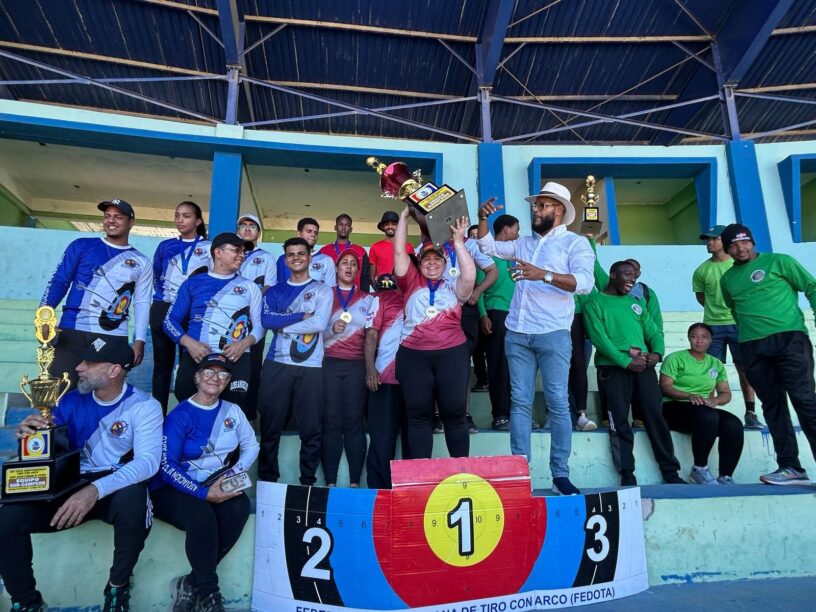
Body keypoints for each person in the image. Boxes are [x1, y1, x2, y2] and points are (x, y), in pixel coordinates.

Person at [0, 338, 162, 612]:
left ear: (114, 370)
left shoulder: (144, 406)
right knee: (7, 516)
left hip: (111, 488)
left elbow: (148, 463)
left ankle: (118, 588)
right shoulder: (69, 400)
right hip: (68, 485)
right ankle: (27, 602)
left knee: (136, 500)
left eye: (89, 362)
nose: (78, 367)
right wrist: (31, 438)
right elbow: (54, 452)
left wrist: (94, 490)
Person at [477, 183, 595, 496]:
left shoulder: (575, 243)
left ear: (560, 210)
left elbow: (584, 283)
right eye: (535, 205)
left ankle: (560, 475)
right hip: (517, 333)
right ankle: (520, 475)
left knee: (558, 403)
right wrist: (483, 219)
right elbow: (487, 247)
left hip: (553, 333)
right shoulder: (523, 243)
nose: (536, 210)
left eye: (543, 205)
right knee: (519, 402)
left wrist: (543, 274)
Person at [151, 353, 259, 612]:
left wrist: (233, 474)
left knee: (239, 507)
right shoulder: (180, 415)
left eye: (222, 374)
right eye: (208, 372)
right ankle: (210, 594)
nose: (215, 378)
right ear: (197, 378)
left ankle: (190, 583)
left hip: (214, 482)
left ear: (228, 381)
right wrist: (203, 493)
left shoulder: (232, 411)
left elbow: (251, 446)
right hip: (171, 487)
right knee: (202, 516)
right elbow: (167, 466)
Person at [720, 223, 816, 485]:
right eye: (733, 245)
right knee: (773, 406)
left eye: (745, 242)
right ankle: (791, 467)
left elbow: (811, 286)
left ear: (753, 242)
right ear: (727, 249)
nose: (741, 248)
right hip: (752, 347)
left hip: (789, 339)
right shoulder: (727, 279)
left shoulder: (779, 261)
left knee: (805, 400)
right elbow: (735, 309)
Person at [583, 260, 684, 486]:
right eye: (627, 274)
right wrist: (625, 362)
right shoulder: (594, 302)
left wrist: (657, 353)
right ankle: (627, 475)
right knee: (619, 421)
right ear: (612, 274)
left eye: (634, 276)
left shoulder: (635, 303)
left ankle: (671, 472)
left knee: (655, 417)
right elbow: (600, 339)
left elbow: (654, 332)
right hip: (613, 369)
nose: (632, 280)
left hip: (643, 368)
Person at [40, 198, 152, 387]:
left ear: (131, 222)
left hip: (113, 335)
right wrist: (44, 317)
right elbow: (59, 282)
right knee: (61, 389)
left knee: (102, 392)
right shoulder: (81, 245)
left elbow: (142, 302)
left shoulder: (141, 261)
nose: (111, 220)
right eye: (107, 216)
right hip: (72, 330)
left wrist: (140, 339)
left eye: (118, 217)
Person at [394, 207, 475, 460]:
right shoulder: (409, 282)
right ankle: (421, 476)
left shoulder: (454, 287)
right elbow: (399, 252)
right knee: (418, 416)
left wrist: (458, 242)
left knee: (454, 414)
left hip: (451, 355)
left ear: (445, 263)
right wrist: (403, 217)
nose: (431, 262)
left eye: (437, 259)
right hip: (413, 356)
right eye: (426, 259)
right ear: (419, 264)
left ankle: (462, 473)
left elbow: (470, 276)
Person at [257, 237, 333, 485]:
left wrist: (283, 326)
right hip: (276, 364)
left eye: (301, 253)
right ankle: (268, 479)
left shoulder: (323, 290)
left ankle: (307, 481)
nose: (296, 258)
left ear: (310, 257)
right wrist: (301, 316)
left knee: (311, 428)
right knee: (270, 426)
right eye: (291, 254)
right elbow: (266, 321)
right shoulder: (275, 291)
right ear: (285, 259)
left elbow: (319, 323)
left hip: (310, 367)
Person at [163, 233, 264, 416]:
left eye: (243, 252)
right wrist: (189, 343)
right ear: (218, 252)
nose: (241, 255)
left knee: (232, 413)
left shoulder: (250, 287)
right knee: (187, 403)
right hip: (197, 356)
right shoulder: (192, 283)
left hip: (237, 358)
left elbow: (260, 326)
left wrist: (244, 344)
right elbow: (170, 321)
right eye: (236, 250)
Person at [693, 225, 762, 429]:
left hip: (739, 324)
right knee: (710, 370)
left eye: (713, 239)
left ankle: (750, 412)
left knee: (745, 368)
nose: (709, 242)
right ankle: (707, 411)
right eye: (707, 239)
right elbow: (701, 298)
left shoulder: (739, 265)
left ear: (725, 241)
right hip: (712, 326)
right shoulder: (701, 270)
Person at [659, 323, 743, 485]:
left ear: (711, 340)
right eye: (694, 336)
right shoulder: (675, 358)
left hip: (702, 410)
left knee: (734, 424)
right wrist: (688, 395)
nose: (699, 340)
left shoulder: (716, 364)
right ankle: (700, 469)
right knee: (708, 415)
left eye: (704, 337)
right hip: (673, 407)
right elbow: (665, 386)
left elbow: (725, 393)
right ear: (689, 338)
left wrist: (715, 400)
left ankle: (725, 476)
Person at [321, 251, 376, 487]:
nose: (349, 267)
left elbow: (373, 336)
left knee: (354, 422)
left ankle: (355, 482)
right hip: (328, 364)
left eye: (354, 264)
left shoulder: (368, 299)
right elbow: (309, 333)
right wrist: (330, 330)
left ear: (357, 270)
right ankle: (330, 482)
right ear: (336, 268)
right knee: (331, 422)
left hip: (356, 365)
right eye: (344, 263)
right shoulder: (324, 295)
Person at [151, 201, 211, 413]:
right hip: (163, 307)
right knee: (162, 365)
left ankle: (188, 415)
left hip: (191, 312)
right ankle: (157, 416)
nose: (180, 220)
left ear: (198, 220)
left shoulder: (209, 247)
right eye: (177, 215)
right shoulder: (165, 246)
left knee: (190, 365)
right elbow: (157, 275)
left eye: (186, 216)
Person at [365, 273, 408, 489]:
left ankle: (411, 489)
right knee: (382, 439)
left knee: (413, 440)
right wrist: (370, 368)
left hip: (415, 381)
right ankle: (379, 490)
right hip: (385, 378)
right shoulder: (381, 298)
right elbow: (371, 335)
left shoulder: (419, 297)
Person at [476, 214, 518, 431]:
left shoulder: (515, 256)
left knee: (516, 368)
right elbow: (478, 288)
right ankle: (500, 415)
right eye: (516, 229)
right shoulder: (486, 254)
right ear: (506, 229)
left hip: (516, 317)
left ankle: (518, 415)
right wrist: (483, 315)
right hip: (496, 314)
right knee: (499, 366)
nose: (518, 234)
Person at [236, 213, 277, 422]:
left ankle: (249, 415)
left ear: (259, 232)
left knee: (252, 365)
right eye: (243, 225)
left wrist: (249, 302)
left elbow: (269, 286)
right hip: (229, 317)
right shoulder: (231, 254)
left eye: (252, 226)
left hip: (254, 318)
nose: (247, 228)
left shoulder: (266, 258)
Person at [276, 217, 336, 286]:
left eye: (316, 233)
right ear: (299, 234)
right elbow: (279, 286)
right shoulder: (283, 259)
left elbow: (330, 288)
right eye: (309, 231)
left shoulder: (326, 260)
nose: (313, 235)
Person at [318, 213, 370, 291]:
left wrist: (364, 295)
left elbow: (365, 278)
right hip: (328, 295)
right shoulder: (324, 251)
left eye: (347, 225)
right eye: (341, 224)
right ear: (335, 227)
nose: (343, 227)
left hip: (354, 295)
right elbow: (318, 277)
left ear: (351, 229)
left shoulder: (360, 251)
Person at [369, 211, 414, 284]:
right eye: (387, 224)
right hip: (383, 288)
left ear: (399, 226)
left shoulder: (408, 246)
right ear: (382, 227)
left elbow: (412, 273)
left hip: (403, 288)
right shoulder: (375, 247)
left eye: (393, 224)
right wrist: (378, 290)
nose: (390, 226)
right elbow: (371, 277)